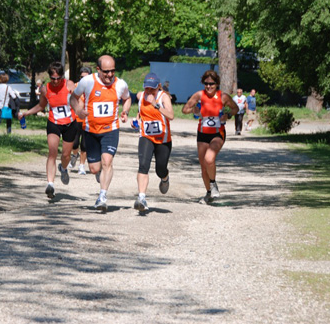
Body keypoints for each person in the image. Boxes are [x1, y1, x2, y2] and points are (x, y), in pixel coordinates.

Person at [70, 55, 132, 212]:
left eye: (112, 71)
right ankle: (101, 173)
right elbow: (73, 98)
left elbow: (127, 98)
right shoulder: (87, 82)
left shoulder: (120, 84)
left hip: (110, 130)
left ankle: (102, 196)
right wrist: (78, 110)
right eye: (106, 72)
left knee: (107, 162)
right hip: (90, 131)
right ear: (98, 70)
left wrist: (125, 111)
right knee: (94, 169)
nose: (110, 75)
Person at [18, 61, 77, 199]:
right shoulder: (45, 89)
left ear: (62, 76)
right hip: (54, 123)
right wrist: (27, 113)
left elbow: (78, 101)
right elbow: (41, 106)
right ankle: (50, 184)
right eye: (53, 78)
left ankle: (63, 168)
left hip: (70, 123)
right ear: (49, 77)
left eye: (58, 78)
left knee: (66, 155)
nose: (56, 81)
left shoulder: (69, 85)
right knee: (52, 151)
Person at [182, 70, 238, 203]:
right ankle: (209, 193)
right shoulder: (199, 95)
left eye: (211, 84)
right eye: (206, 84)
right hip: (202, 133)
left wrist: (228, 115)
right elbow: (185, 110)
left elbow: (235, 109)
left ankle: (213, 184)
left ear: (217, 84)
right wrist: (193, 109)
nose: (208, 86)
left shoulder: (223, 97)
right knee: (203, 166)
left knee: (209, 159)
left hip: (218, 133)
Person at [133, 73, 174, 211]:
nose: (149, 91)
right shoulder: (140, 96)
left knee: (160, 169)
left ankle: (165, 178)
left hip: (163, 139)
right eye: (147, 88)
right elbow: (140, 111)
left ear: (158, 87)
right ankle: (142, 198)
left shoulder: (163, 97)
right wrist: (137, 120)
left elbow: (171, 115)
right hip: (146, 136)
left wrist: (156, 105)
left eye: (153, 89)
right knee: (143, 165)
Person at [69, 66, 92, 175]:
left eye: (86, 77)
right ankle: (74, 155)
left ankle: (81, 166)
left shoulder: (94, 86)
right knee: (74, 143)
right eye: (82, 77)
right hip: (76, 118)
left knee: (84, 144)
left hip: (88, 119)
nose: (84, 79)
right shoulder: (76, 86)